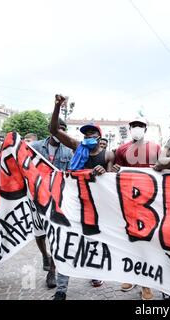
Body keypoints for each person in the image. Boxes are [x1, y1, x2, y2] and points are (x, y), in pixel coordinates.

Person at [49, 94, 115, 300]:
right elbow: (54, 130)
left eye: (92, 133)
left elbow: (114, 182)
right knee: (65, 242)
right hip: (73, 203)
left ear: (99, 136)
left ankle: (95, 274)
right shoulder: (77, 147)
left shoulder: (108, 155)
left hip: (97, 208)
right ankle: (61, 289)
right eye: (85, 134)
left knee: (94, 243)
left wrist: (105, 173)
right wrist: (57, 106)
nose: (88, 136)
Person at [113, 116, 161, 301]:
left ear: (145, 129)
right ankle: (131, 276)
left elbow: (164, 170)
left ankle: (146, 285)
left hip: (150, 203)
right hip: (128, 202)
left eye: (141, 126)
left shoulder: (155, 148)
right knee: (129, 242)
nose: (137, 128)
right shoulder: (121, 149)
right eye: (135, 126)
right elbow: (114, 173)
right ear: (130, 128)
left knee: (146, 244)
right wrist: (115, 170)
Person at [31, 118, 73, 289]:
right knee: (39, 233)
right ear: (50, 129)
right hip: (36, 195)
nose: (59, 132)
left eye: (63, 129)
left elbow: (70, 174)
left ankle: (52, 270)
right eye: (57, 128)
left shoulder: (68, 151)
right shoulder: (34, 147)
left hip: (58, 198)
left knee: (56, 235)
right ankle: (45, 255)